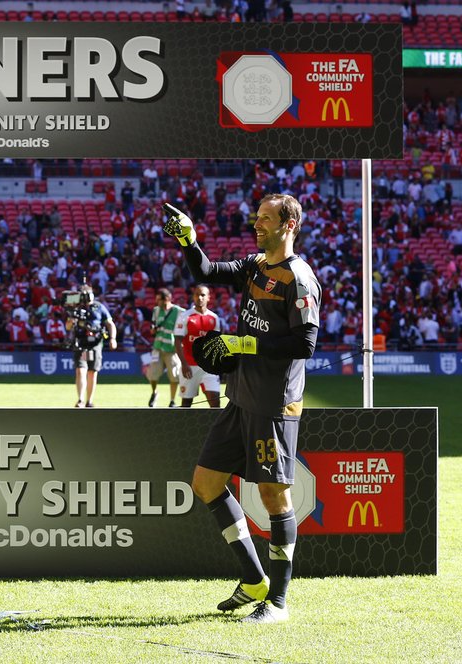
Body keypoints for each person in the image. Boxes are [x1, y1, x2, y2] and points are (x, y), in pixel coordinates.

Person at [162, 195, 321, 624]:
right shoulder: (255, 265)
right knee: (206, 483)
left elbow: (305, 344)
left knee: (274, 496)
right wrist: (189, 241)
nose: (257, 225)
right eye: (256, 219)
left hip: (274, 405)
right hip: (241, 399)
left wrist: (246, 343)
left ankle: (279, 603)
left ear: (288, 224)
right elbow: (207, 271)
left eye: (265, 220)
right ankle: (254, 580)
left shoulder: (299, 279)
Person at [173, 285, 223, 408]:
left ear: (209, 298)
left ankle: (215, 427)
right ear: (193, 297)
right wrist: (184, 364)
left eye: (203, 295)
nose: (199, 297)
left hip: (209, 366)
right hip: (190, 366)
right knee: (186, 404)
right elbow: (177, 341)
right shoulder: (185, 316)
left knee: (215, 403)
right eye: (197, 294)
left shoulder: (214, 318)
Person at [69, 284, 117, 408]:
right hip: (81, 343)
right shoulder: (76, 309)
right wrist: (71, 320)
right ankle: (80, 400)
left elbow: (110, 324)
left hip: (95, 344)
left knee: (92, 372)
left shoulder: (100, 307)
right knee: (81, 370)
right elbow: (68, 327)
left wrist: (112, 338)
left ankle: (89, 401)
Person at [146, 289, 184, 408]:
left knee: (174, 375)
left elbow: (183, 329)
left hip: (172, 349)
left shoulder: (179, 311)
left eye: (159, 300)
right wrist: (153, 330)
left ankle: (172, 401)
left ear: (167, 299)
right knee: (152, 374)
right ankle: (154, 392)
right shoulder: (156, 310)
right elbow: (154, 325)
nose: (157, 302)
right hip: (158, 347)